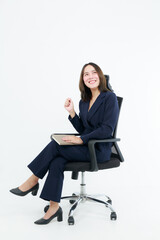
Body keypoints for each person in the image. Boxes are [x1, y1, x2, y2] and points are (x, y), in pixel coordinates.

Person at [10, 62, 119, 225]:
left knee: (55, 146)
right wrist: (72, 113)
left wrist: (80, 139)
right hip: (85, 146)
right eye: (86, 74)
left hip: (99, 150)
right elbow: (84, 128)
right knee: (56, 160)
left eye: (93, 72)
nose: (90, 76)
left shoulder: (109, 97)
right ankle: (54, 207)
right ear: (82, 79)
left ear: (100, 75)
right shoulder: (84, 100)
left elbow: (106, 129)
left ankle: (33, 180)